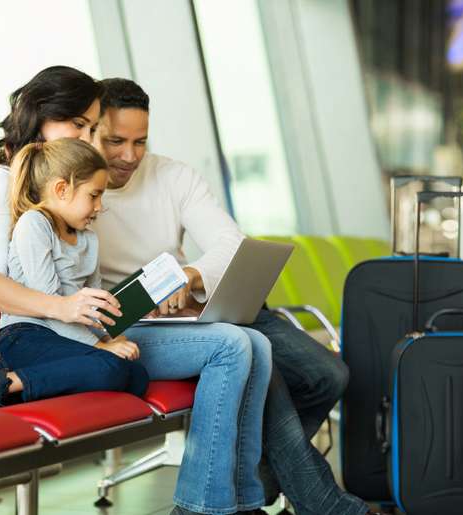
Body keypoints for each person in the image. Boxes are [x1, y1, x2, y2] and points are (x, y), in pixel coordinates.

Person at [0, 66, 273, 515]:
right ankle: (203, 507)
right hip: (51, 331)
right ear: (42, 119)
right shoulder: (5, 186)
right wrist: (69, 308)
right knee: (232, 346)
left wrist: (164, 290)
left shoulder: (79, 198)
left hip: (100, 321)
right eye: (81, 126)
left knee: (258, 344)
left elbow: (91, 280)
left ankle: (243, 504)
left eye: (94, 129)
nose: (92, 139)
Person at [92, 78, 370, 515]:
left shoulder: (173, 175)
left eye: (140, 141)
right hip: (145, 324)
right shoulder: (79, 191)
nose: (129, 155)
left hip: (201, 303)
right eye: (116, 141)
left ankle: (253, 486)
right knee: (260, 362)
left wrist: (192, 274)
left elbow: (230, 243)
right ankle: (325, 506)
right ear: (91, 131)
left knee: (326, 375)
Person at [0, 138, 149, 410]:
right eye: (93, 195)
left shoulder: (89, 240)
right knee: (109, 366)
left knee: (137, 375)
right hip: (24, 338)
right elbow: (53, 309)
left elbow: (94, 311)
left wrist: (110, 337)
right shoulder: (34, 224)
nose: (99, 206)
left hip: (63, 339)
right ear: (62, 189)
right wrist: (101, 348)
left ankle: (12, 391)